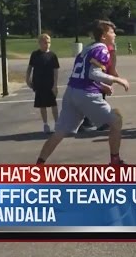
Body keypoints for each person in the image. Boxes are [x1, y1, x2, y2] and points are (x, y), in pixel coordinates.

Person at [35, 20, 130, 166]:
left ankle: (39, 165)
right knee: (116, 121)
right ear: (103, 36)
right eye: (112, 32)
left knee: (59, 132)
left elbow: (84, 73)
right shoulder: (102, 49)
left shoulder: (87, 49)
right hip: (86, 94)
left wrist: (102, 85)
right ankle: (115, 161)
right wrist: (117, 79)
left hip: (71, 92)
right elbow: (93, 73)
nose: (115, 34)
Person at [26, 33, 60, 134]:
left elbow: (55, 71)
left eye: (49, 42)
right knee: (42, 105)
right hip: (39, 83)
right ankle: (45, 124)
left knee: (53, 104)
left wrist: (55, 85)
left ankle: (57, 123)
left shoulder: (52, 56)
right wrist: (28, 80)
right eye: (45, 42)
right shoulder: (35, 54)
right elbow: (30, 68)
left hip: (50, 84)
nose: (47, 44)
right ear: (40, 43)